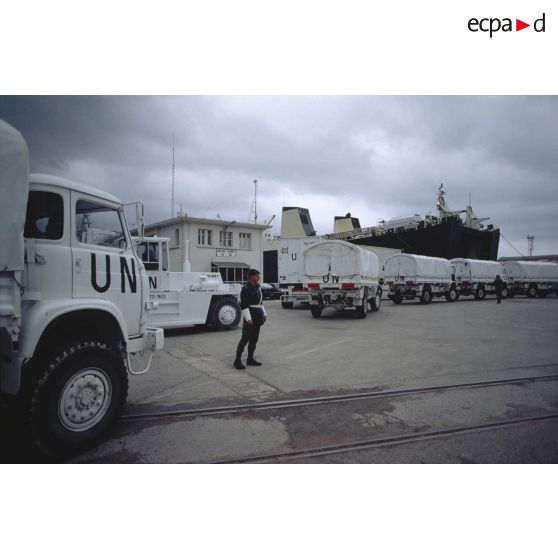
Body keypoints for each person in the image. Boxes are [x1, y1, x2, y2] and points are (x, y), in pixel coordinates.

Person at [234, 269, 267, 370]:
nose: (259, 278)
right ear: (251, 276)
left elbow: (260, 302)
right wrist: (248, 318)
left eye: (259, 276)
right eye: (257, 276)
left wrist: (264, 313)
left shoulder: (258, 287)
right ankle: (237, 360)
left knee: (254, 338)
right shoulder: (246, 288)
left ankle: (250, 359)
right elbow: (243, 304)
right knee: (245, 338)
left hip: (258, 314)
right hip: (250, 314)